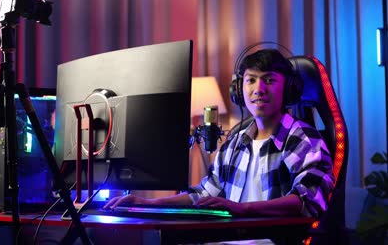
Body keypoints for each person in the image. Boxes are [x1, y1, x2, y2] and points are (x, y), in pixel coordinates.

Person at [104, 48, 334, 221]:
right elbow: (203, 194)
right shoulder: (235, 142)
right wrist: (146, 203)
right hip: (228, 238)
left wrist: (243, 208)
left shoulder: (302, 138)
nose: (258, 89)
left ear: (289, 89)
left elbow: (309, 200)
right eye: (250, 80)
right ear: (238, 90)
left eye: (269, 80)